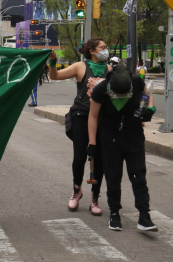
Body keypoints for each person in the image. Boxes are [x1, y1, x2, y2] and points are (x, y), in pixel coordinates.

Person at [88, 65, 158, 232]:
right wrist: (92, 144)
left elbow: (147, 96)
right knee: (113, 176)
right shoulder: (101, 89)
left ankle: (144, 215)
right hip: (110, 137)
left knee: (138, 175)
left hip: (134, 136)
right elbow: (93, 115)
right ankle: (114, 214)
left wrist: (150, 109)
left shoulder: (136, 81)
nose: (120, 96)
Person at [49, 38, 110, 215]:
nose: (106, 50)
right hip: (81, 117)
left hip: (102, 120)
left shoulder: (109, 70)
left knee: (99, 158)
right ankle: (77, 191)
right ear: (92, 51)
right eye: (102, 48)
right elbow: (54, 76)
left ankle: (95, 196)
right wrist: (52, 62)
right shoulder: (80, 67)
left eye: (106, 48)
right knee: (80, 157)